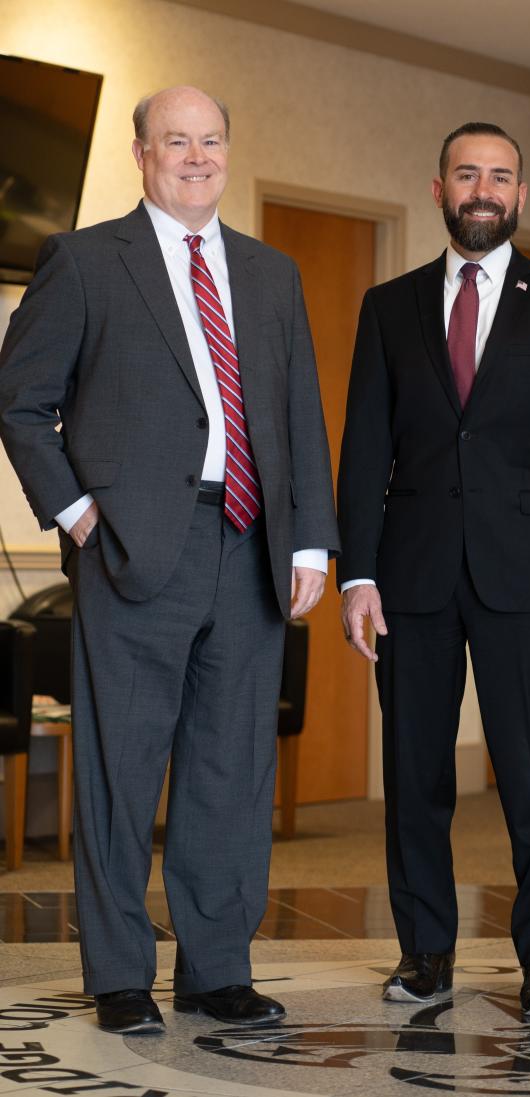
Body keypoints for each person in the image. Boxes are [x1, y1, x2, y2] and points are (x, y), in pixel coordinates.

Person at [0, 86, 339, 1034]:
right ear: (141, 154)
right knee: (121, 766)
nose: (196, 156)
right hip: (132, 546)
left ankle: (216, 968)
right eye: (175, 141)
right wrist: (76, 515)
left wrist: (310, 536)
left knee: (231, 768)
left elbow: (296, 414)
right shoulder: (84, 260)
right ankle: (117, 975)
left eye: (211, 140)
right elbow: (21, 399)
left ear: (228, 151)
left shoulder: (271, 275)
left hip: (250, 542)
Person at [337, 122, 530, 1016]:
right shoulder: (390, 306)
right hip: (411, 576)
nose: (484, 188)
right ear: (439, 189)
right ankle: (424, 953)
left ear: (522, 195)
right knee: (416, 778)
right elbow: (364, 450)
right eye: (468, 174)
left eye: (501, 175)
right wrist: (357, 574)